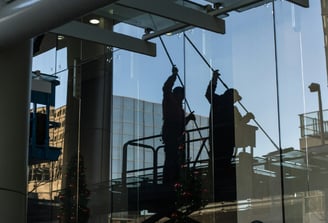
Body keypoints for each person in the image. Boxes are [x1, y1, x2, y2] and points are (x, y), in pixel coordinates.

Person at [205, 71, 254, 166]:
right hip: (224, 139)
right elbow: (240, 122)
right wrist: (248, 117)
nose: (235, 101)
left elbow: (240, 122)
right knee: (223, 161)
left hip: (221, 139)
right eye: (235, 99)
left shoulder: (220, 102)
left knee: (221, 161)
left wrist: (247, 117)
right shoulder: (219, 102)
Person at [162, 66, 195, 185]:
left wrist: (188, 119)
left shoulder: (179, 108)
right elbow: (166, 88)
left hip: (176, 133)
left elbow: (181, 123)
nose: (182, 98)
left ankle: (175, 178)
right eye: (181, 95)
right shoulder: (170, 101)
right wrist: (174, 75)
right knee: (171, 156)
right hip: (171, 131)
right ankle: (169, 180)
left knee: (176, 157)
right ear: (177, 94)